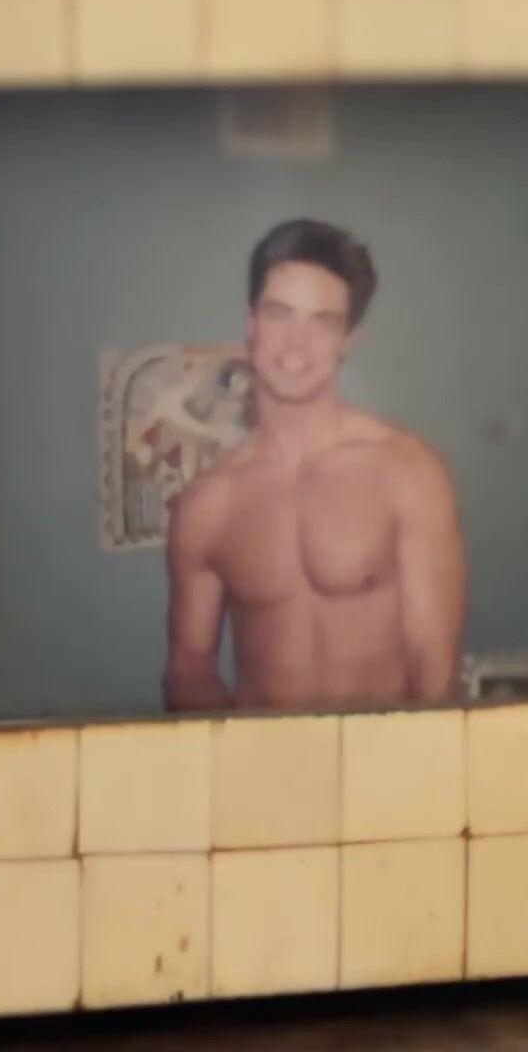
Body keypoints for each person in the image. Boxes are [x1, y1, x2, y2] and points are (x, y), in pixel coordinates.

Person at [162, 219, 467, 711]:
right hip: (263, 754)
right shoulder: (205, 506)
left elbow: (434, 669)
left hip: (385, 753)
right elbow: (189, 671)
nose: (295, 345)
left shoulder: (407, 471)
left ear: (348, 339)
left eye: (322, 322)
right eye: (279, 314)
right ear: (251, 322)